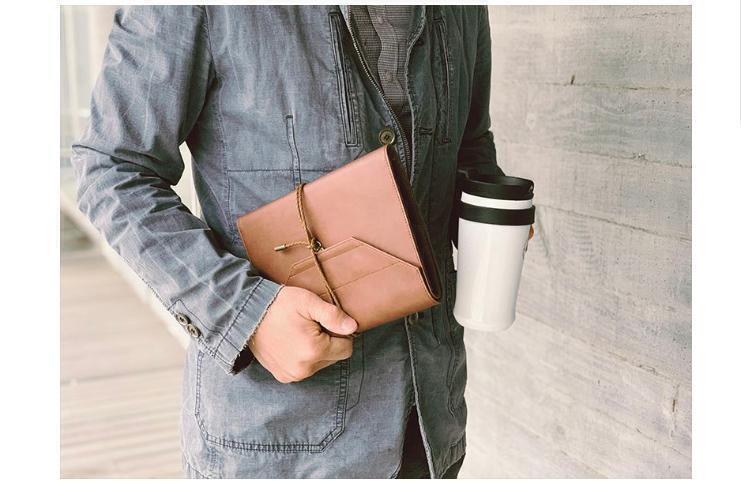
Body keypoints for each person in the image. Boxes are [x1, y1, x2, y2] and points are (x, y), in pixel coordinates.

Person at [72, 5, 516, 478]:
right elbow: (113, 170)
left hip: (429, 426)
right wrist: (245, 314)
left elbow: (469, 145)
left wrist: (494, 211)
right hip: (280, 442)